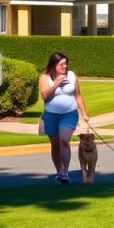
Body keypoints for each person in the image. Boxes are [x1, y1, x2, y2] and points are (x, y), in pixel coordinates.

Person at [39, 52, 89, 184]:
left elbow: (78, 96)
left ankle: (66, 172)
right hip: (51, 116)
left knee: (63, 141)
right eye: (61, 64)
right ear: (54, 65)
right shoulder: (45, 77)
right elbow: (44, 97)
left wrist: (84, 113)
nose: (64, 66)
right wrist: (56, 84)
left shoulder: (72, 76)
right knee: (55, 145)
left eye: (65, 63)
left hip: (69, 114)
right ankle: (59, 171)